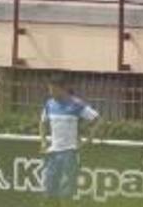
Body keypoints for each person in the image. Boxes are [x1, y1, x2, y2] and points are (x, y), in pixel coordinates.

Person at [39, 73, 101, 207]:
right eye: (49, 89)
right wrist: (43, 141)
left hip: (70, 153)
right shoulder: (49, 104)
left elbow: (97, 119)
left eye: (53, 89)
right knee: (49, 191)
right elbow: (42, 123)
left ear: (63, 88)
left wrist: (88, 139)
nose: (51, 92)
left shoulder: (76, 104)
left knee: (67, 193)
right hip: (53, 153)